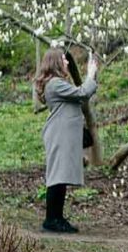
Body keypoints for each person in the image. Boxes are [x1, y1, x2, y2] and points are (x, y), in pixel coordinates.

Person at [34, 48, 99, 233]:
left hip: (62, 134)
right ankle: (51, 220)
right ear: (55, 62)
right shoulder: (55, 84)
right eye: (64, 59)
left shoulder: (57, 83)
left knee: (60, 177)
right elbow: (82, 93)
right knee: (57, 177)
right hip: (59, 134)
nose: (67, 62)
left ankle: (57, 218)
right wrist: (90, 74)